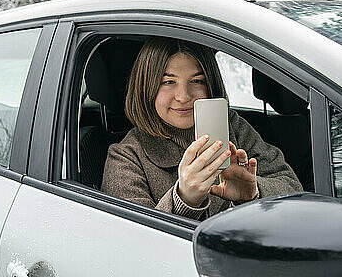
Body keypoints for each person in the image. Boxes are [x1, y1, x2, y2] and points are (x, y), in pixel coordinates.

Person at [101, 37, 302, 221]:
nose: (183, 96)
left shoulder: (233, 127)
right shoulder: (125, 156)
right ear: (147, 88)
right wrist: (184, 200)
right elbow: (135, 244)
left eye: (196, 81)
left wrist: (254, 191)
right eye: (168, 82)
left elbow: (293, 190)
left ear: (210, 84)